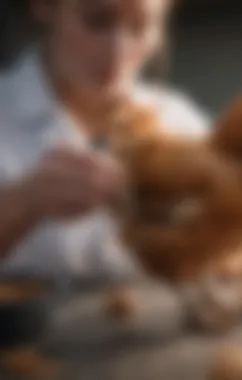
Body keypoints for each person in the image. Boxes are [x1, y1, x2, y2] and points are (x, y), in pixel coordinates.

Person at [0, 0, 210, 281]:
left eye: (140, 26)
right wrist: (24, 200)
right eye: (96, 21)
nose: (117, 51)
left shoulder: (180, 124)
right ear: (46, 6)